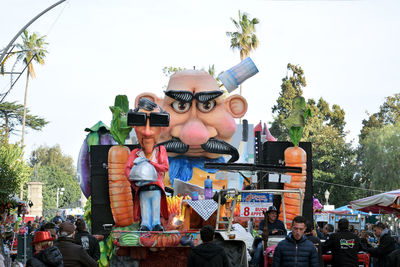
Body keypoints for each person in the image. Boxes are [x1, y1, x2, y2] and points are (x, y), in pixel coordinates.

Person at [137, 70, 248, 189]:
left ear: (234, 107)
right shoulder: (150, 172)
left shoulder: (232, 178)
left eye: (207, 106)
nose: (195, 135)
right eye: (180, 106)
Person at [124, 97, 170, 231]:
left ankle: (156, 223)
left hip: (156, 188)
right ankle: (145, 224)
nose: (147, 131)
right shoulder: (135, 154)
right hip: (142, 189)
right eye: (141, 122)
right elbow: (127, 169)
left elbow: (165, 167)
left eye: (155, 122)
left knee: (155, 207)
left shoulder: (161, 151)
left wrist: (151, 164)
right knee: (144, 208)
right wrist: (134, 179)